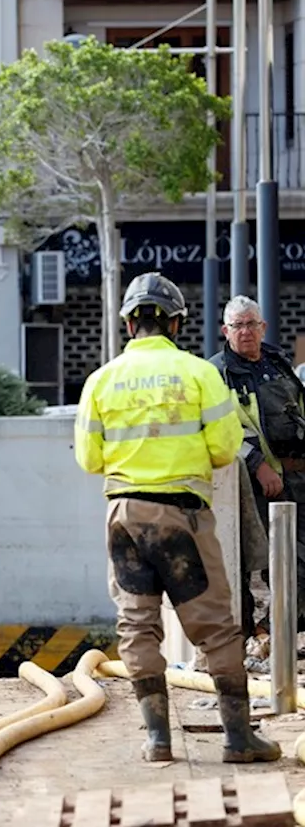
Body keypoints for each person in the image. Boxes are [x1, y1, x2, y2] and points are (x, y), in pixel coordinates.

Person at [74, 272, 280, 764]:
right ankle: (237, 739)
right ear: (176, 322)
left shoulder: (100, 381)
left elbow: (88, 458)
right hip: (183, 514)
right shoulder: (199, 374)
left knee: (137, 626)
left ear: (128, 324)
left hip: (124, 515)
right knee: (215, 627)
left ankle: (158, 741)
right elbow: (227, 448)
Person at [210, 295, 305, 634]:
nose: (246, 331)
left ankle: (285, 632)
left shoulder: (277, 361)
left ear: (263, 327)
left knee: (298, 562)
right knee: (270, 561)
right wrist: (257, 463)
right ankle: (264, 635)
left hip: (296, 476)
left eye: (252, 324)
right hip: (255, 484)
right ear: (225, 330)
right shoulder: (216, 373)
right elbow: (223, 429)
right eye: (238, 325)